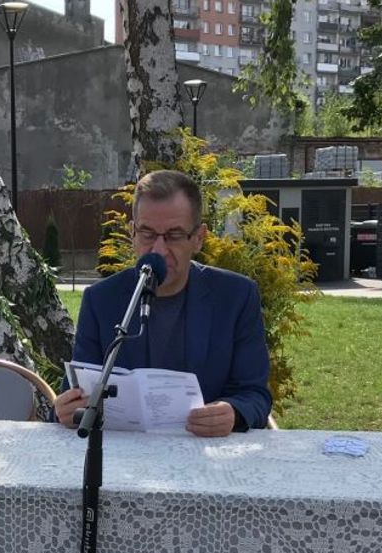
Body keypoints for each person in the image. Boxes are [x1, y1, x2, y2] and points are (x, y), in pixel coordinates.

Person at [52, 170, 272, 436]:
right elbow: (76, 393)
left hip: (205, 450)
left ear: (198, 238)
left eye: (174, 235)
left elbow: (255, 395)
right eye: (147, 233)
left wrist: (233, 413)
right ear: (132, 233)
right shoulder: (100, 300)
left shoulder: (236, 296)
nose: (158, 249)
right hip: (123, 453)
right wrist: (66, 409)